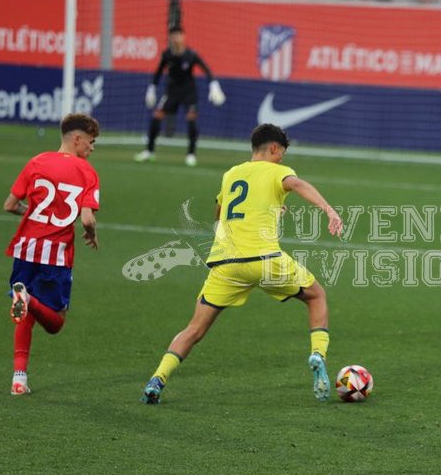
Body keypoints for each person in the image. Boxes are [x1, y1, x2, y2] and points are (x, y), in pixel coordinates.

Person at [140, 123, 344, 404]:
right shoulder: (277, 171)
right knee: (316, 295)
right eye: (281, 153)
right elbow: (297, 185)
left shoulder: (231, 174)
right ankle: (317, 355)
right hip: (264, 260)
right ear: (274, 148)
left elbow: (220, 213)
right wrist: (330, 211)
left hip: (225, 264)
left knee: (194, 329)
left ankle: (157, 380)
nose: (282, 158)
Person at [3, 113, 101, 395]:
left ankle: (19, 379)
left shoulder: (37, 161)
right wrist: (91, 235)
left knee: (24, 317)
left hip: (25, 247)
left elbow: (10, 205)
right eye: (91, 142)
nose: (92, 149)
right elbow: (87, 219)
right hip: (56, 253)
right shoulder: (86, 172)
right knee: (55, 323)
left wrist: (33, 214)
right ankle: (29, 299)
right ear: (78, 139)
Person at [135, 25, 225, 166]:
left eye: (179, 35)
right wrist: (151, 88)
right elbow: (158, 73)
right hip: (171, 93)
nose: (176, 38)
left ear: (183, 37)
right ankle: (149, 152)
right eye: (173, 36)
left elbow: (207, 70)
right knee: (157, 116)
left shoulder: (191, 55)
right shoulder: (167, 55)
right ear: (170, 38)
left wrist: (214, 85)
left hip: (189, 93)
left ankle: (191, 154)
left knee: (191, 121)